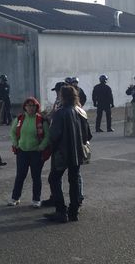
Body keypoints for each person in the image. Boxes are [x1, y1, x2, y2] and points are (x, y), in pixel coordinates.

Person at [44, 86, 92, 223]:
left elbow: (54, 135)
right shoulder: (81, 112)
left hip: (61, 153)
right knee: (74, 180)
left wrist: (50, 147)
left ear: (62, 96)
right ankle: (73, 211)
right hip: (77, 153)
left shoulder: (60, 113)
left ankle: (61, 211)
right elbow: (87, 135)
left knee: (54, 179)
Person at [7, 97, 49, 208]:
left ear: (36, 107)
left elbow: (47, 136)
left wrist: (41, 146)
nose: (30, 108)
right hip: (22, 152)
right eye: (28, 105)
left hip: (36, 152)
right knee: (20, 175)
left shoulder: (40, 120)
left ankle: (36, 199)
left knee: (36, 176)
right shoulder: (20, 118)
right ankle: (15, 198)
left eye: (33, 105)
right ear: (25, 107)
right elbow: (12, 132)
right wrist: (15, 143)